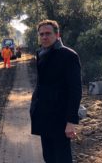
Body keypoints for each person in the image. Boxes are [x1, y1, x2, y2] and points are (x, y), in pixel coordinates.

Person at [30, 20, 82, 163]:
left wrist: (71, 121)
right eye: (41, 34)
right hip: (43, 115)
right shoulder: (41, 53)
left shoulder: (69, 56)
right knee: (49, 157)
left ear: (57, 34)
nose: (44, 37)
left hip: (60, 118)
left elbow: (75, 90)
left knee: (62, 158)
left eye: (48, 33)